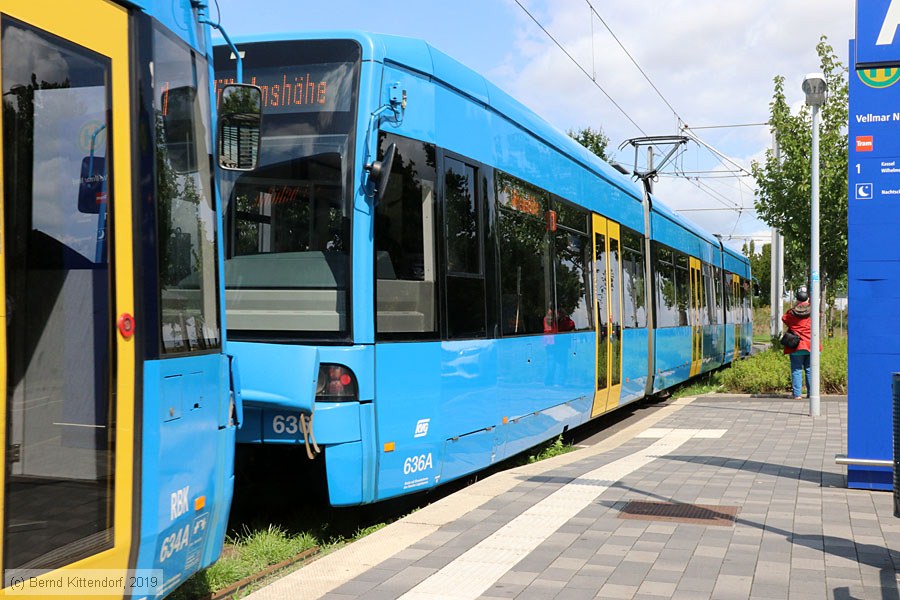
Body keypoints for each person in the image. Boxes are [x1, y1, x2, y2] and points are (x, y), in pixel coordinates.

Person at [782, 287, 812, 399]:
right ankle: (811, 393)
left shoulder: (791, 313)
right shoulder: (813, 311)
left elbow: (784, 318)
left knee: (796, 369)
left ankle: (797, 394)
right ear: (808, 299)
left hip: (796, 345)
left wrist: (796, 306)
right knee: (810, 370)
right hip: (810, 345)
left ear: (797, 300)